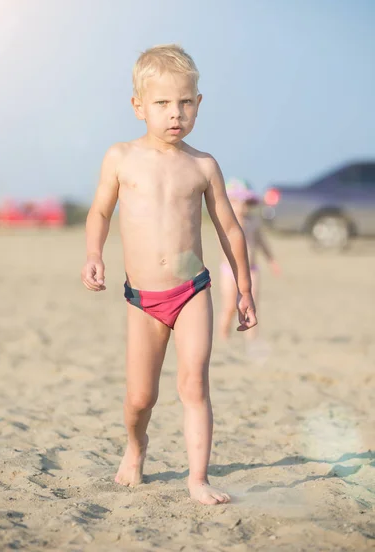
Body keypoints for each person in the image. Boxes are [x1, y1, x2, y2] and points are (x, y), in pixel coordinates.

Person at [81, 44, 257, 505]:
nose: (174, 113)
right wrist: (93, 253)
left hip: (191, 288)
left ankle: (197, 478)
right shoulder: (120, 157)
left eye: (185, 102)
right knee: (141, 397)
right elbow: (100, 211)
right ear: (139, 106)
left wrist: (244, 288)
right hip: (142, 299)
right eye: (161, 103)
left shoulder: (202, 166)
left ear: (199, 103)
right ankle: (136, 448)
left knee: (193, 384)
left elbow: (229, 229)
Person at [219, 179, 280, 341]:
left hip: (252, 270)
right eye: (236, 202)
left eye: (245, 202)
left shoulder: (253, 222)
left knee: (252, 306)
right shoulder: (227, 222)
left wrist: (271, 260)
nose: (242, 206)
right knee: (230, 306)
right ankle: (223, 335)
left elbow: (261, 242)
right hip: (229, 271)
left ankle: (252, 337)